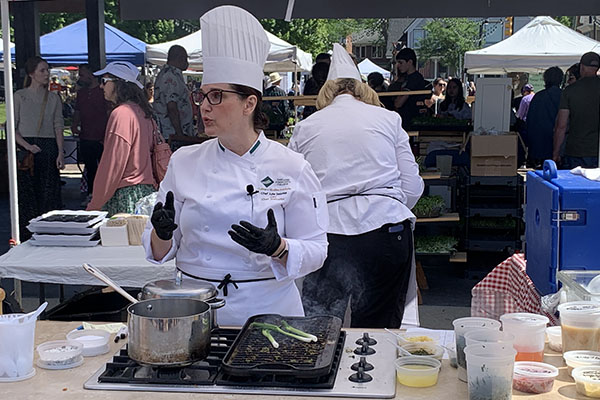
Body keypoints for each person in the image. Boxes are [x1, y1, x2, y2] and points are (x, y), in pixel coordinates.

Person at [142, 5, 328, 327]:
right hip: (191, 311)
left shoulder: (291, 166)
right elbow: (159, 253)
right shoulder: (184, 161)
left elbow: (317, 250)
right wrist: (161, 231)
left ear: (249, 103)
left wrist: (278, 247)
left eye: (216, 96)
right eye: (201, 96)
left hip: (267, 313)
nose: (203, 107)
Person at [289, 43, 424, 328]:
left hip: (329, 234)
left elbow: (293, 190)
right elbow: (412, 187)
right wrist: (383, 205)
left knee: (320, 329)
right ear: (363, 89)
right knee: (379, 331)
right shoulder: (389, 119)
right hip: (387, 231)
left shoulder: (306, 127)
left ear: (327, 91)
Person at [86, 61, 156, 215]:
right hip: (145, 193)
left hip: (124, 196)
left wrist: (94, 204)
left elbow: (112, 166)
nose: (101, 86)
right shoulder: (143, 112)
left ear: (119, 83)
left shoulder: (121, 114)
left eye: (104, 81)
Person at [14, 56, 65, 240]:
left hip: (48, 146)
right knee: (27, 193)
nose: (46, 74)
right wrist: (28, 146)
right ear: (32, 74)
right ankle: (28, 232)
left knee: (48, 192)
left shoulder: (53, 98)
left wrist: (60, 152)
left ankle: (50, 230)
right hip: (27, 147)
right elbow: (12, 127)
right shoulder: (19, 96)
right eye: (42, 70)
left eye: (47, 70)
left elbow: (58, 126)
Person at [553, 52, 600, 168]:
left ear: (581, 67)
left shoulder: (569, 91)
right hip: (597, 151)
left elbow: (561, 126)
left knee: (575, 184)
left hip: (575, 150)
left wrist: (556, 152)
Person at [71, 64, 110, 204]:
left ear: (91, 75)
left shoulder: (102, 93)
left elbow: (108, 112)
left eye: (82, 74)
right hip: (86, 135)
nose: (80, 78)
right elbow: (78, 110)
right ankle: (91, 193)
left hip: (101, 136)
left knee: (104, 167)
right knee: (90, 167)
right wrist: (74, 124)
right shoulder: (81, 93)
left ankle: (103, 194)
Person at [524, 66, 563, 168]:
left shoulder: (538, 97)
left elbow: (530, 121)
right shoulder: (564, 96)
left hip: (539, 145)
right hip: (560, 145)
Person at [153, 45, 194, 139]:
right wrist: (179, 134)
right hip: (172, 133)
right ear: (180, 58)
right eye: (185, 59)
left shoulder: (170, 74)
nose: (187, 63)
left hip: (173, 132)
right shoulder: (170, 76)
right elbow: (171, 106)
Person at [388, 48, 430, 129]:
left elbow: (398, 103)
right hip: (404, 120)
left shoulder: (415, 78)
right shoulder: (405, 78)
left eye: (401, 62)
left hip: (410, 121)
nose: (398, 65)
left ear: (410, 62)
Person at [262, 72, 291, 137]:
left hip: (268, 122)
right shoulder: (282, 92)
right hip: (280, 122)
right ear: (279, 81)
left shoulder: (266, 92)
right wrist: (287, 119)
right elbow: (285, 107)